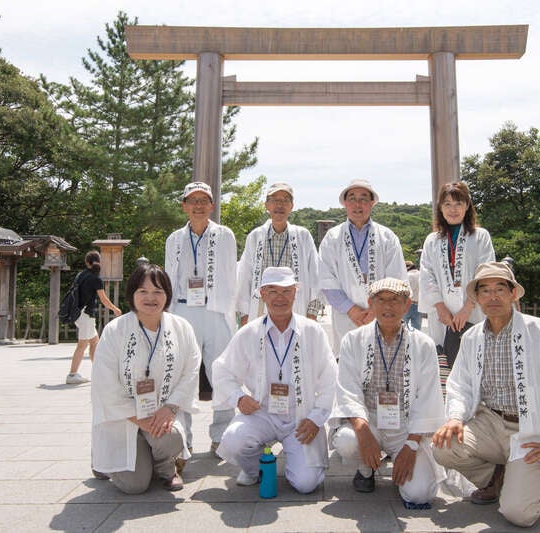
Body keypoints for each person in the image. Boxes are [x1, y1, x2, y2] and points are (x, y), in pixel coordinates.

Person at [431, 262, 540, 527]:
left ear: (513, 294)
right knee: (443, 445)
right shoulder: (473, 337)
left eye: (500, 289)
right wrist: (455, 417)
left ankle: (538, 485)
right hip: (490, 423)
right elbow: (460, 385)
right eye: (484, 291)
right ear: (476, 299)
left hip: (529, 428)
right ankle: (495, 478)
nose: (493, 296)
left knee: (518, 514)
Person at [212, 267, 337, 493]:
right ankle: (255, 469)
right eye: (273, 291)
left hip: (301, 416)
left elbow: (330, 378)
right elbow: (222, 370)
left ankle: (295, 460)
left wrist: (317, 418)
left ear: (295, 293)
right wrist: (238, 398)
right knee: (233, 439)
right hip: (263, 412)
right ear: (262, 293)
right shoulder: (248, 333)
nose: (280, 298)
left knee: (306, 484)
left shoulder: (313, 332)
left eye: (286, 291)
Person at [331, 278, 446, 508]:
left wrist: (412, 445)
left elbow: (428, 398)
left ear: (407, 305)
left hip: (406, 425)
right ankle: (365, 469)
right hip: (369, 420)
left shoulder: (423, 344)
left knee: (420, 494)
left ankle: (400, 458)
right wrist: (362, 431)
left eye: (395, 300)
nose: (387, 306)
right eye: (380, 300)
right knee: (346, 440)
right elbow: (347, 390)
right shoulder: (353, 340)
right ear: (370, 304)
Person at [91, 263, 199, 493]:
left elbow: (191, 370)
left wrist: (170, 408)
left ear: (167, 295)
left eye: (158, 292)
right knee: (134, 486)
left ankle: (165, 467)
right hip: (124, 418)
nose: (151, 298)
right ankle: (111, 459)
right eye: (143, 291)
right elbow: (104, 383)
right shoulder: (115, 330)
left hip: (160, 414)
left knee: (171, 438)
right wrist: (136, 418)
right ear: (132, 294)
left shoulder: (182, 328)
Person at [165, 181, 236, 456]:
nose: (198, 205)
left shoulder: (225, 235)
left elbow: (232, 275)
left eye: (203, 200)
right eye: (192, 200)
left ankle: (222, 435)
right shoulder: (174, 239)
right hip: (183, 310)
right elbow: (169, 278)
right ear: (184, 206)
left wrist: (232, 313)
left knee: (221, 373)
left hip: (215, 310)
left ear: (212, 205)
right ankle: (184, 437)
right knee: (184, 374)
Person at [319, 178, 407, 349]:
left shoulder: (387, 237)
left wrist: (375, 310)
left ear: (372, 203)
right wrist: (351, 309)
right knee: (347, 364)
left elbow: (396, 279)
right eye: (352, 198)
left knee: (382, 365)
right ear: (345, 203)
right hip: (345, 315)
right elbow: (326, 279)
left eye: (363, 199)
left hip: (383, 314)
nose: (357, 204)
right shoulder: (332, 237)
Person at [419, 181, 495, 371]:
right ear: (440, 208)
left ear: (467, 206)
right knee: (444, 366)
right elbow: (427, 275)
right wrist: (440, 307)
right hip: (441, 316)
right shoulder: (432, 240)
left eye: (458, 204)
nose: (453, 210)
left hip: (474, 311)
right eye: (447, 204)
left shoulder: (480, 236)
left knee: (475, 364)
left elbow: (486, 273)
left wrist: (467, 307)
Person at [237, 182, 321, 326]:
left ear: (292, 206)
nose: (280, 205)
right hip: (261, 308)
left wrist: (312, 314)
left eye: (285, 200)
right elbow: (244, 277)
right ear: (266, 205)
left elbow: (316, 276)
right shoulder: (255, 236)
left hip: (295, 307)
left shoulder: (303, 236)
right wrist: (244, 315)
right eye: (275, 200)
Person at [66, 251, 122, 385]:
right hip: (86, 314)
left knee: (94, 342)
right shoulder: (96, 279)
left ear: (87, 262)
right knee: (83, 344)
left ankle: (99, 373)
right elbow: (103, 299)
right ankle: (72, 374)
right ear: (99, 262)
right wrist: (115, 309)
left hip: (79, 314)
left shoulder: (81, 275)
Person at [403, 261, 422, 331]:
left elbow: (407, 291)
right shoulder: (421, 274)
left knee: (403, 328)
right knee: (417, 329)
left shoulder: (408, 275)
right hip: (418, 304)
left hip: (408, 304)